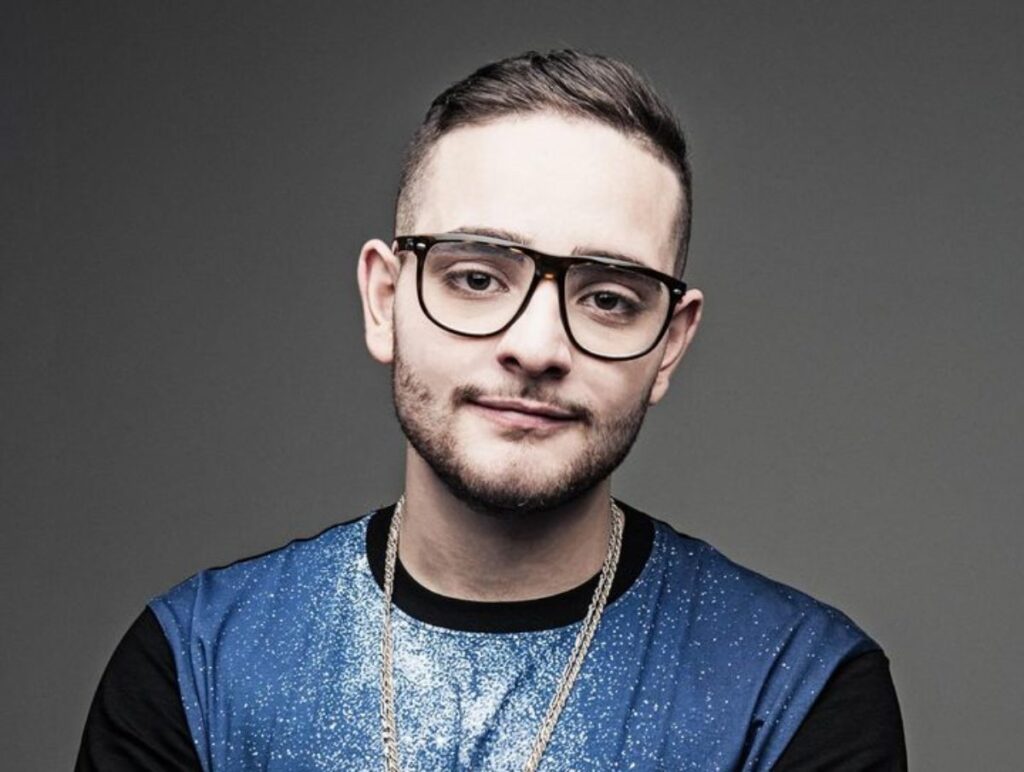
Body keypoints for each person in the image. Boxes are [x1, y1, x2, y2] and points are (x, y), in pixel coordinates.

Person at [77, 49, 906, 771]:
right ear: (384, 301)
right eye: (476, 277)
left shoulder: (796, 689)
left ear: (670, 345)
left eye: (608, 298)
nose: (537, 346)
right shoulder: (196, 663)